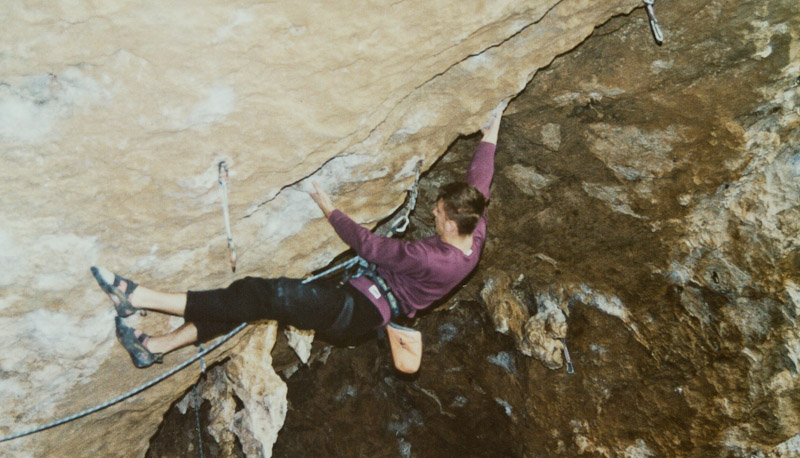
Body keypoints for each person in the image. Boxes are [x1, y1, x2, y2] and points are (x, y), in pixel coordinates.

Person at [92, 105, 503, 373]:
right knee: (251, 305)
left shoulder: (432, 258)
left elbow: (371, 247)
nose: (433, 211)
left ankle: (140, 297)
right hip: (359, 300)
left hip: (355, 310)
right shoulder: (474, 229)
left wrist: (327, 206)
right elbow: (478, 182)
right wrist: (493, 128)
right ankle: (155, 345)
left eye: (438, 211)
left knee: (260, 295)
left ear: (451, 225)